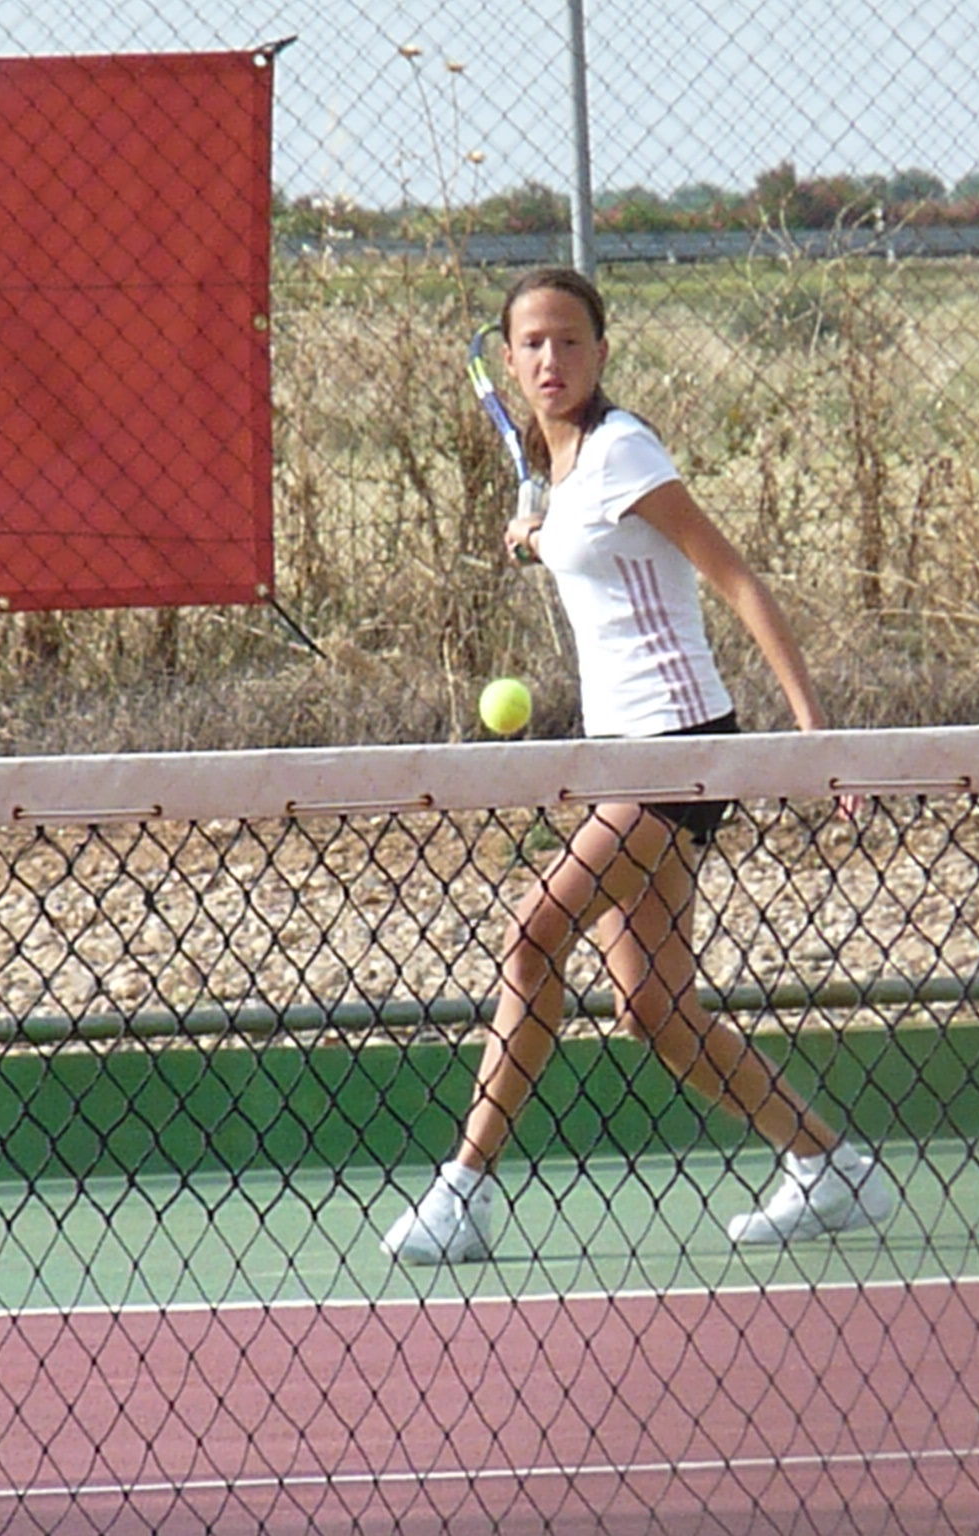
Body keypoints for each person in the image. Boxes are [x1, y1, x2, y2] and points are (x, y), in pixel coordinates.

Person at [381, 267, 893, 1263]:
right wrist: (539, 536)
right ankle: (829, 1166)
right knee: (652, 1008)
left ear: (602, 353)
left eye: (570, 341)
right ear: (508, 358)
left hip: (680, 746)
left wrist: (813, 733)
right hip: (628, 756)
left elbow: (733, 578)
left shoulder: (622, 451)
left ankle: (462, 1191)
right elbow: (602, 554)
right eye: (532, 343)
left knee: (532, 933)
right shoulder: (567, 471)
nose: (551, 360)